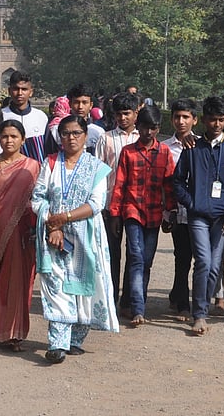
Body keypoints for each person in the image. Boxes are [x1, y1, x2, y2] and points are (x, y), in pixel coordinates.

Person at [32, 115, 119, 363]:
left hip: (86, 237)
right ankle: (57, 344)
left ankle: (75, 339)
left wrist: (65, 218)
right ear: (59, 137)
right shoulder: (49, 163)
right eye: (66, 133)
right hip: (53, 237)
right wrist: (54, 225)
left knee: (85, 286)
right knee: (56, 287)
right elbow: (38, 198)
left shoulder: (96, 167)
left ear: (85, 136)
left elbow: (96, 203)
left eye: (76, 133)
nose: (71, 138)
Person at [172, 96, 224, 336]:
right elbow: (178, 181)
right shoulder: (193, 147)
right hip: (198, 217)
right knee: (202, 261)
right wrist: (192, 202)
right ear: (203, 120)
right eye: (212, 120)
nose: (216, 124)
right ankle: (200, 314)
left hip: (222, 218)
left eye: (221, 120)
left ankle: (201, 304)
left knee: (215, 266)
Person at [0, 119, 41, 351]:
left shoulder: (33, 166)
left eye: (14, 136)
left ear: (23, 139)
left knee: (21, 282)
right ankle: (0, 329)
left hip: (24, 233)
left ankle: (16, 333)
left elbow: (39, 201)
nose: (9, 140)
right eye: (5, 136)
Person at [108, 105, 176, 326]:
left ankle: (137, 302)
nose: (149, 133)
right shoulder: (128, 152)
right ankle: (138, 308)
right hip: (132, 211)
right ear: (139, 127)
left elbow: (169, 185)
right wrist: (116, 213)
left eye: (153, 128)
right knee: (136, 257)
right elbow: (120, 184)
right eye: (145, 128)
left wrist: (171, 212)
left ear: (158, 128)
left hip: (155, 213)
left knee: (146, 261)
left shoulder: (164, 152)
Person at [95, 91, 141, 311]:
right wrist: (102, 205)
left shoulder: (141, 139)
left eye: (127, 114)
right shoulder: (106, 138)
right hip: (110, 204)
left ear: (136, 113)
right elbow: (98, 173)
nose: (123, 118)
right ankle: (111, 298)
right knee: (112, 254)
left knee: (134, 253)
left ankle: (129, 300)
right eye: (119, 114)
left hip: (135, 204)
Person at [162, 99, 198, 320]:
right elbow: (164, 184)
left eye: (186, 117)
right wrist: (168, 213)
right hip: (176, 212)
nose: (181, 121)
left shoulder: (201, 145)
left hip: (198, 212)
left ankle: (179, 295)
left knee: (200, 258)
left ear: (195, 120)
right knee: (182, 257)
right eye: (177, 117)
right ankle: (183, 304)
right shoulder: (165, 148)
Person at [0, 70, 48, 162]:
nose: (19, 93)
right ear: (9, 91)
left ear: (31, 92)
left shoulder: (41, 117)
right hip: (7, 172)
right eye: (16, 89)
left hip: (36, 172)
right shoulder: (1, 116)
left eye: (24, 89)